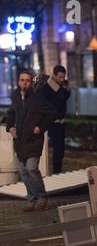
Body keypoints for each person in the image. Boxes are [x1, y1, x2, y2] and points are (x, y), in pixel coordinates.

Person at [6, 71, 59, 212]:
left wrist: (40, 127)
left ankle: (41, 196)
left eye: (27, 80)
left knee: (31, 168)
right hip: (20, 142)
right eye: (22, 80)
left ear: (31, 83)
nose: (24, 82)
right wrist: (10, 127)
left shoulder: (37, 99)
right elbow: (10, 113)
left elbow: (53, 113)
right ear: (18, 82)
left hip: (33, 141)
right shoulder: (16, 97)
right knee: (23, 172)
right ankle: (32, 199)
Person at [37, 65, 71, 174]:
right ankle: (52, 173)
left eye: (63, 77)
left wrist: (66, 89)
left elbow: (64, 98)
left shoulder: (61, 87)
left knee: (60, 151)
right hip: (50, 124)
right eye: (60, 77)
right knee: (52, 150)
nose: (62, 79)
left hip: (61, 123)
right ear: (54, 75)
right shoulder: (45, 89)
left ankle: (58, 172)